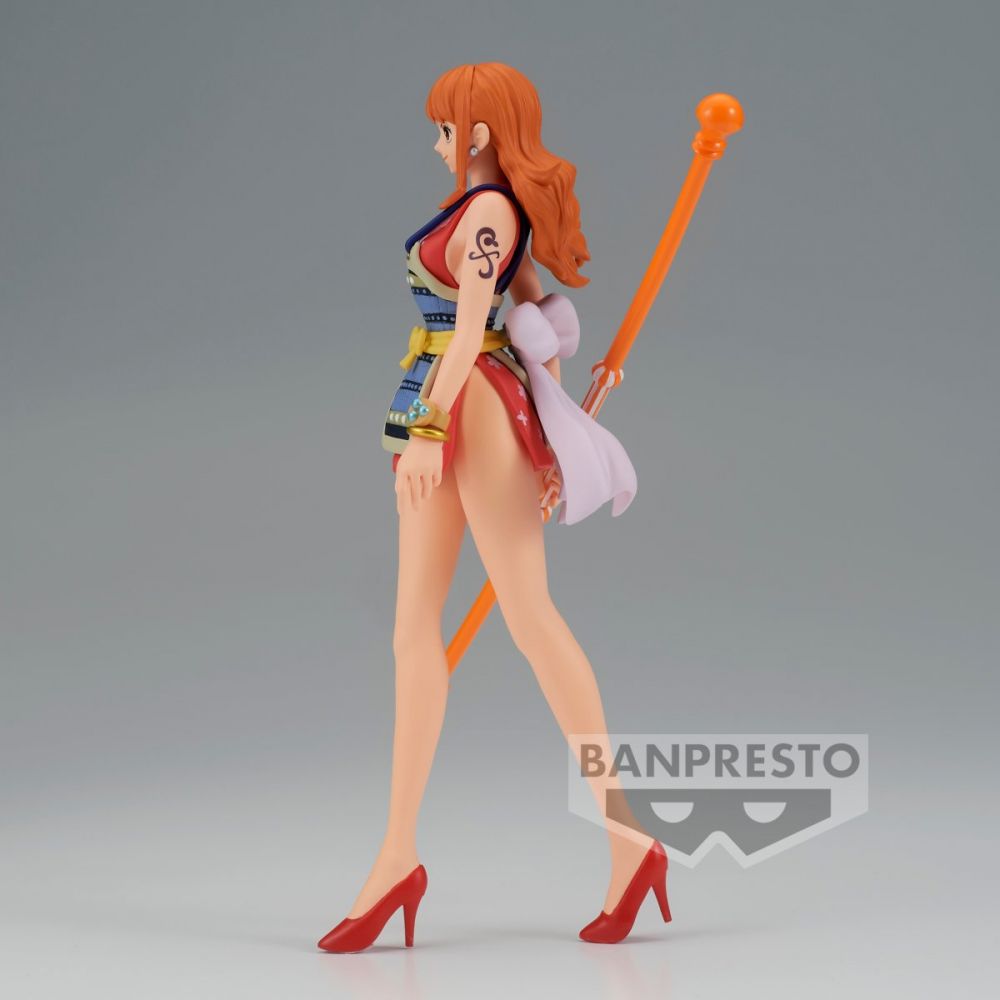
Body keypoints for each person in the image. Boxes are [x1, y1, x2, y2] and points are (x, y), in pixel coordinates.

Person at [317, 62, 669, 953]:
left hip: (466, 404)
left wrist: (440, 430)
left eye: (445, 127)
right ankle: (396, 856)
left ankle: (629, 839)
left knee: (529, 617)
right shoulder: (476, 210)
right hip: (440, 401)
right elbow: (535, 319)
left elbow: (478, 330)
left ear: (476, 132)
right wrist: (510, 416)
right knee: (412, 632)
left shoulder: (487, 215)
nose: (436, 141)